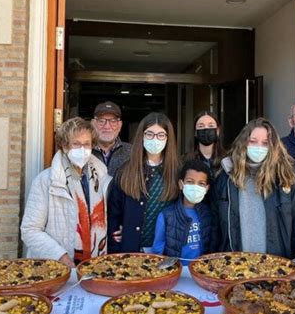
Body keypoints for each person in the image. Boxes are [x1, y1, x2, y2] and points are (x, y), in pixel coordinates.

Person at [213, 117, 295, 258]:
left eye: (265, 143)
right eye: (253, 141)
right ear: (243, 143)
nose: (258, 147)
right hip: (235, 268)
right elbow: (215, 227)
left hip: (276, 268)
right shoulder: (226, 178)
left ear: (273, 146)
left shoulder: (285, 179)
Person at [21, 117, 111, 267]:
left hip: (95, 267)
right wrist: (61, 257)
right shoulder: (46, 181)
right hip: (55, 268)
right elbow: (30, 230)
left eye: (86, 144)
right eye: (76, 144)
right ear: (64, 146)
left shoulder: (103, 179)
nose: (82, 149)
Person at [107, 112, 179, 253]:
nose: (155, 139)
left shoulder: (177, 172)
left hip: (166, 251)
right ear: (142, 136)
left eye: (161, 135)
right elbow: (113, 213)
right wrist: (118, 234)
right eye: (149, 134)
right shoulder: (125, 172)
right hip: (133, 250)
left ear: (168, 138)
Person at [151, 159, 214, 263]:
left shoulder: (209, 214)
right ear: (181, 184)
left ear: (207, 189)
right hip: (176, 270)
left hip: (201, 271)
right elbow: (157, 250)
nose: (195, 187)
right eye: (190, 182)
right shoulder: (167, 215)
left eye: (201, 183)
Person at [91, 101, 131, 178]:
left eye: (113, 121)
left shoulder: (132, 153)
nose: (107, 126)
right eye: (101, 121)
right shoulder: (84, 152)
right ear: (93, 123)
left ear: (120, 125)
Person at [182, 110, 225, 181]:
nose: (206, 129)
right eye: (201, 126)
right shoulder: (184, 161)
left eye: (211, 125)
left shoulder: (227, 160)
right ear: (195, 132)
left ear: (217, 131)